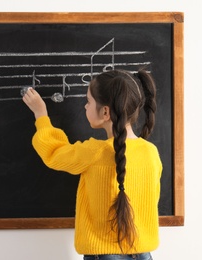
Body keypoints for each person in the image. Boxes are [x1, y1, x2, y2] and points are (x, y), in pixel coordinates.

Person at [22, 69, 162, 260]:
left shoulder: (95, 152)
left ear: (105, 112)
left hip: (103, 254)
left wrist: (41, 115)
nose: (85, 107)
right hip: (143, 254)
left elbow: (54, 153)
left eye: (88, 102)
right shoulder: (151, 153)